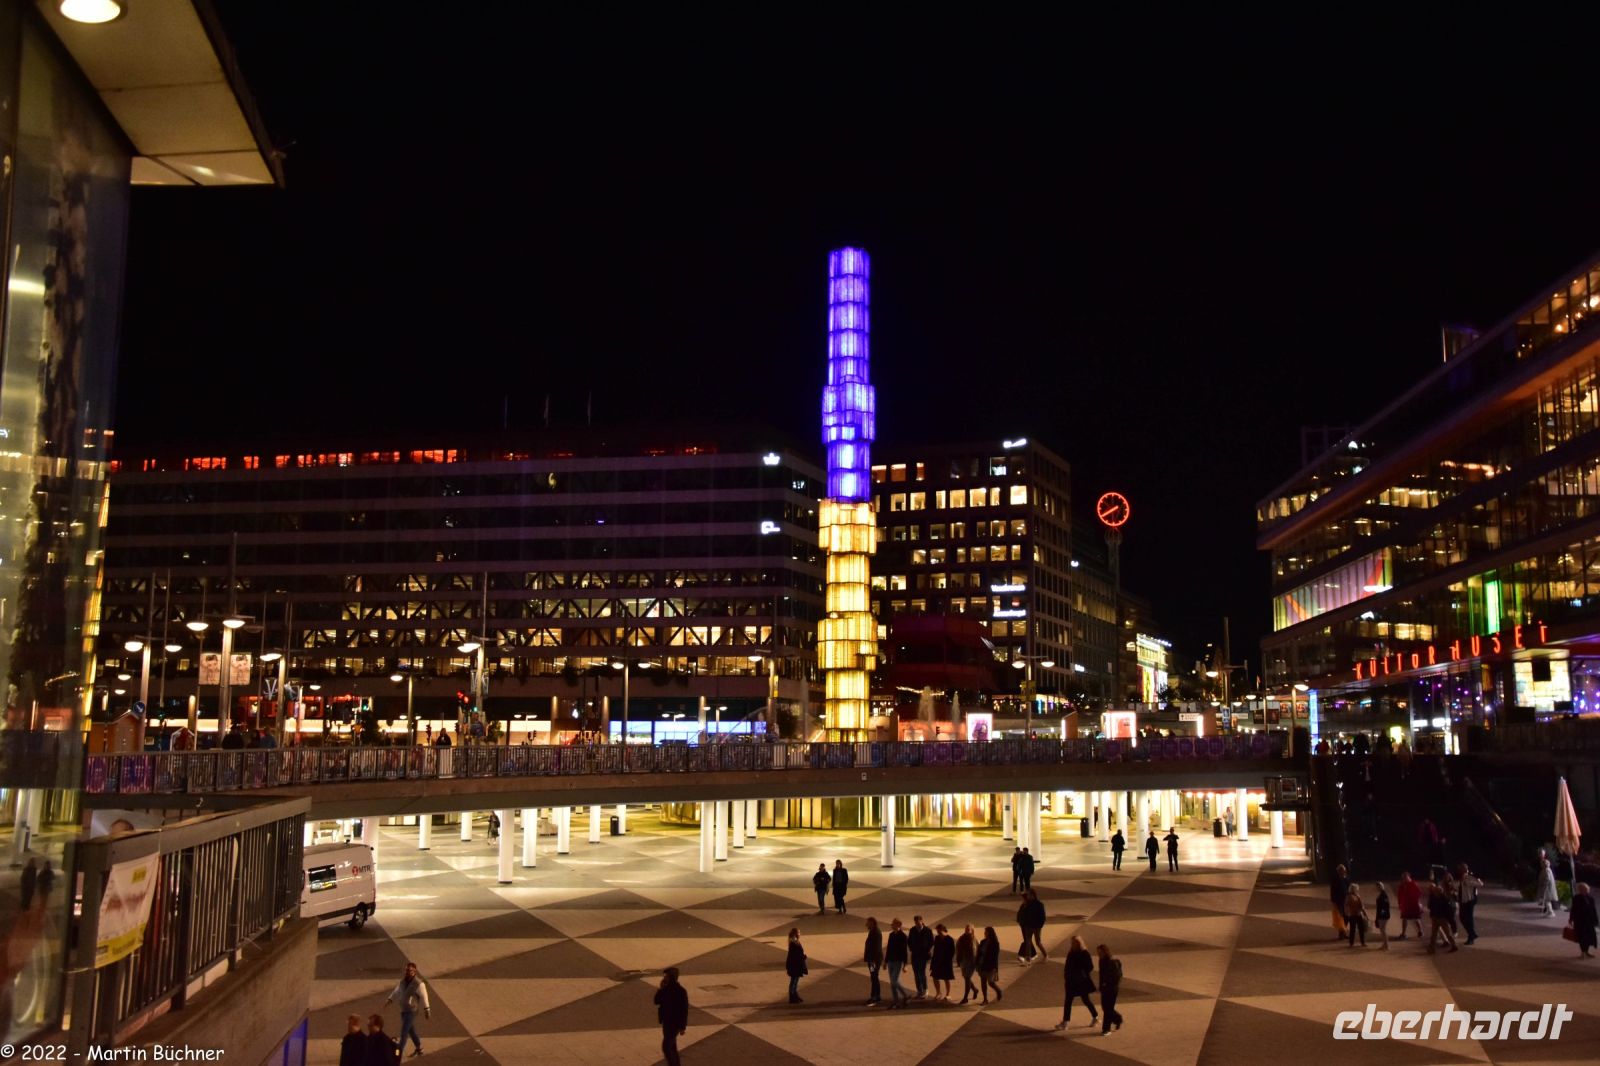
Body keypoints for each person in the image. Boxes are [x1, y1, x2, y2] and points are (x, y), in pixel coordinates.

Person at [382, 961, 430, 1057]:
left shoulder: (419, 984)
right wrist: (389, 1000)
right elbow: (396, 991)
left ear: (415, 972)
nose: (407, 972)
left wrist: (427, 1009)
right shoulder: (403, 982)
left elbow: (425, 997)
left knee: (404, 1033)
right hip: (403, 1010)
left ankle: (397, 1054)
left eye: (410, 971)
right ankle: (419, 1048)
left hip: (411, 1011)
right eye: (406, 970)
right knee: (411, 1030)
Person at [1055, 935, 1098, 1029]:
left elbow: (1090, 967)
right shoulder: (1071, 952)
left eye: (1074, 943)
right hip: (1071, 981)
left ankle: (1095, 1016)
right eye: (1072, 943)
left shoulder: (1084, 953)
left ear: (1079, 943)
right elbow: (1067, 965)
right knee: (1068, 1001)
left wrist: (1081, 971)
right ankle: (1065, 1022)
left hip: (1081, 981)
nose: (1072, 945)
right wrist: (1066, 976)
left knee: (1086, 1000)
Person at [654, 966, 689, 1066]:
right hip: (666, 1022)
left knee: (666, 1046)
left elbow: (684, 1010)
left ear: (672, 977)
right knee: (672, 1046)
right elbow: (656, 1001)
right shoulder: (666, 989)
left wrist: (682, 1026)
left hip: (675, 1024)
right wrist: (661, 988)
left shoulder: (680, 991)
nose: (664, 978)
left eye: (666, 976)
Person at [1096, 944, 1123, 1033]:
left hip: (1112, 989)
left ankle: (1106, 1029)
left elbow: (1115, 977)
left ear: (1105, 952)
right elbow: (1101, 975)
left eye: (1100, 952)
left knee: (1108, 1009)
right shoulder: (1101, 961)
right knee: (1106, 1008)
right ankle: (1117, 1019)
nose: (1099, 954)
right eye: (1098, 953)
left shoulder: (1111, 962)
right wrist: (1101, 986)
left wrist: (1106, 984)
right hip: (1105, 988)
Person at [1426, 880, 1458, 954]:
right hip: (1436, 917)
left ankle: (1454, 945)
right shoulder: (1435, 898)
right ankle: (1432, 948)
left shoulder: (1444, 900)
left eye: (1436, 892)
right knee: (1434, 934)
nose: (1435, 893)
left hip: (1442, 919)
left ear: (1440, 892)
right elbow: (1430, 906)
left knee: (1447, 933)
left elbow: (1448, 911)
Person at [908, 914, 934, 999]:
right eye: (916, 922)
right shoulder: (912, 930)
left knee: (922, 973)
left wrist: (928, 949)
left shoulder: (927, 930)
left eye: (918, 922)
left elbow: (931, 941)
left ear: (922, 921)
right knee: (916, 973)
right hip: (915, 955)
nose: (917, 924)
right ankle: (919, 990)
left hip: (923, 955)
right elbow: (909, 941)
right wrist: (912, 949)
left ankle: (925, 989)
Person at [1017, 889, 1047, 964]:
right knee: (1028, 942)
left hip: (1036, 927)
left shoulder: (1039, 904)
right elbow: (1023, 914)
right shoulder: (1027, 904)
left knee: (1038, 942)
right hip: (1028, 926)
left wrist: (1040, 925)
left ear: (1033, 895)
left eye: (1028, 895)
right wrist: (1023, 923)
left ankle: (1046, 955)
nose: (1027, 896)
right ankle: (1028, 959)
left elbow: (1042, 917)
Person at [885, 918, 910, 1008]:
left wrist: (905, 964)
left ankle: (905, 996)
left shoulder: (903, 936)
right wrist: (885, 961)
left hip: (898, 961)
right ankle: (896, 1001)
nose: (892, 925)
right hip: (890, 961)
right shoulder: (891, 935)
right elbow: (889, 948)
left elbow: (904, 951)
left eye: (893, 924)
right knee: (893, 982)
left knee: (894, 981)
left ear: (898, 925)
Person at [1455, 863, 1482, 945]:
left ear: (1465, 869)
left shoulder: (1469, 877)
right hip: (1463, 901)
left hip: (1469, 901)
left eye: (1460, 869)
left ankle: (1471, 937)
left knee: (1468, 919)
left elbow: (1480, 884)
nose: (1459, 870)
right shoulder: (1461, 879)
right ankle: (1472, 934)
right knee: (1462, 918)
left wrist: (1471, 884)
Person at [1571, 882, 1599, 958]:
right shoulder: (1576, 898)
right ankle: (1583, 952)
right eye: (1585, 889)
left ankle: (1586, 951)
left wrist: (1596, 920)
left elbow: (1593, 910)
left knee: (1589, 937)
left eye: (1587, 889)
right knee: (1582, 937)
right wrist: (1571, 919)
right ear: (1580, 890)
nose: (1587, 890)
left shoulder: (1590, 898)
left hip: (1589, 921)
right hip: (1580, 921)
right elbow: (1573, 909)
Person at [977, 926, 1003, 1004]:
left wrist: (995, 968)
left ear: (990, 933)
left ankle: (998, 990)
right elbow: (979, 953)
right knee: (983, 982)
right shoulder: (983, 941)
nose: (985, 933)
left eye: (986, 932)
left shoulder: (995, 943)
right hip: (982, 964)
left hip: (990, 966)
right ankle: (985, 999)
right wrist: (977, 963)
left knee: (990, 982)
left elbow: (995, 956)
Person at [930, 923, 955, 1000]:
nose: (938, 933)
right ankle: (938, 992)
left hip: (946, 962)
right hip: (937, 960)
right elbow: (935, 950)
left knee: (946, 978)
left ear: (943, 930)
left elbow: (952, 952)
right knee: (935, 977)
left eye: (939, 931)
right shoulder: (937, 938)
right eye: (937, 931)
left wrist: (947, 960)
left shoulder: (950, 939)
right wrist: (933, 961)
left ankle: (948, 994)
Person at [863, 917, 883, 1006]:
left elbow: (877, 948)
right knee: (873, 977)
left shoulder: (876, 932)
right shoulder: (873, 931)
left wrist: (873, 961)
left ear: (872, 923)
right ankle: (876, 996)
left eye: (868, 923)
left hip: (874, 960)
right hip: (872, 960)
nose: (866, 924)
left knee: (874, 977)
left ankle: (875, 997)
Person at [956, 924, 978, 1004]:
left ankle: (965, 997)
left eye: (968, 929)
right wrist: (958, 960)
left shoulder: (974, 939)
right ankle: (975, 990)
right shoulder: (961, 938)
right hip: (963, 960)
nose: (966, 930)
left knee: (967, 978)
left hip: (971, 961)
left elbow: (978, 951)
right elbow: (958, 949)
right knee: (966, 978)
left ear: (972, 930)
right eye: (966, 929)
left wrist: (977, 962)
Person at [1396, 871, 1424, 937]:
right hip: (1405, 906)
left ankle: (1420, 931)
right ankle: (1403, 933)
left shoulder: (1413, 884)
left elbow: (1419, 893)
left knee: (1416, 919)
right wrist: (1400, 904)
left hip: (1413, 905)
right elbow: (1399, 895)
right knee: (1404, 919)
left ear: (1409, 877)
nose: (1404, 879)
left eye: (1405, 877)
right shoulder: (1402, 886)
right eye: (1403, 878)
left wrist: (1417, 902)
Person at [785, 928, 808, 1003]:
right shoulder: (794, 943)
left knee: (795, 981)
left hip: (795, 965)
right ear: (795, 933)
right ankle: (792, 997)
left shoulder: (795, 942)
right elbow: (795, 955)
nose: (800, 934)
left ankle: (795, 995)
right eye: (799, 932)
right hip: (795, 965)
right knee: (794, 981)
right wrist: (803, 956)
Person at [1329, 864, 1350, 939]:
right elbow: (1332, 891)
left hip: (1346, 900)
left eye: (1343, 870)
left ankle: (1343, 931)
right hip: (1338, 901)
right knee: (1341, 916)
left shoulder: (1346, 879)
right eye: (1341, 870)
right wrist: (1333, 901)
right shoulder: (1335, 880)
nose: (1343, 871)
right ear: (1338, 871)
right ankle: (1342, 933)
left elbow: (1349, 888)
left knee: (1347, 916)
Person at [1373, 882, 1391, 950]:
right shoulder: (1381, 894)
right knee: (1382, 930)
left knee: (1383, 930)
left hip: (1383, 915)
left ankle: (1386, 945)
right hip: (1382, 914)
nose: (1377, 888)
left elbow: (1385, 906)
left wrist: (1381, 914)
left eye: (1378, 886)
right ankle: (1384, 944)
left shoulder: (1384, 895)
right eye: (1377, 887)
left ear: (1381, 886)